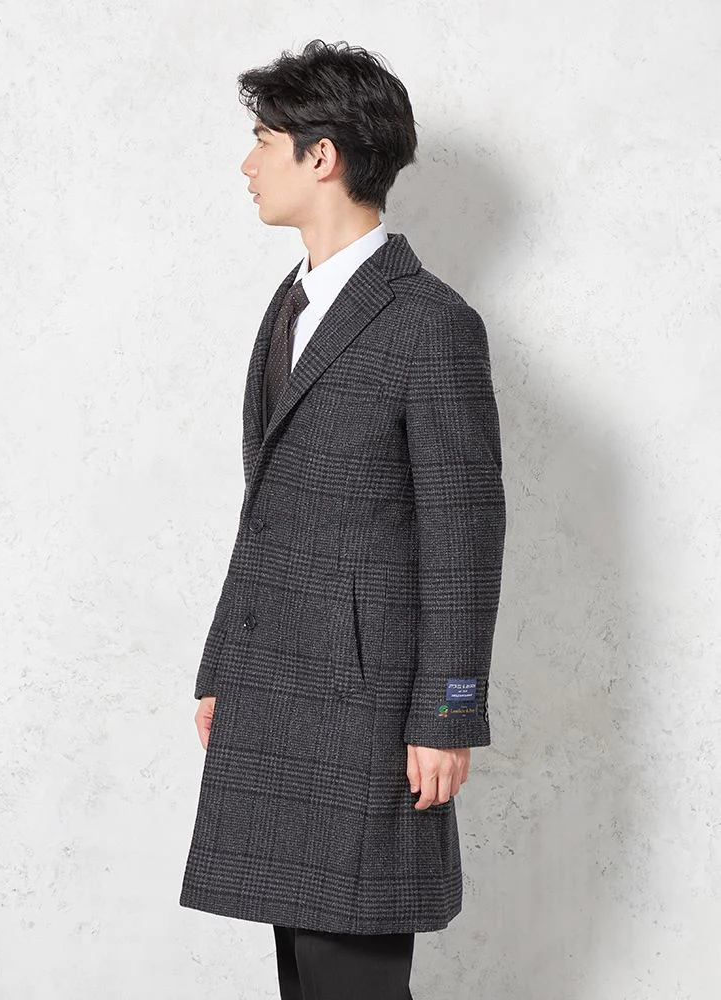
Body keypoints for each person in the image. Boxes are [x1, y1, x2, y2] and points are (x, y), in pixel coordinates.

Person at [179, 38, 506, 1000]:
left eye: (263, 140)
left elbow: (465, 534)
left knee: (352, 978)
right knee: (303, 975)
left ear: (321, 156)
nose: (247, 163)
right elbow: (268, 513)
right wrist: (222, 665)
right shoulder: (291, 305)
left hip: (368, 708)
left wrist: (447, 714)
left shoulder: (430, 322)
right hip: (276, 686)